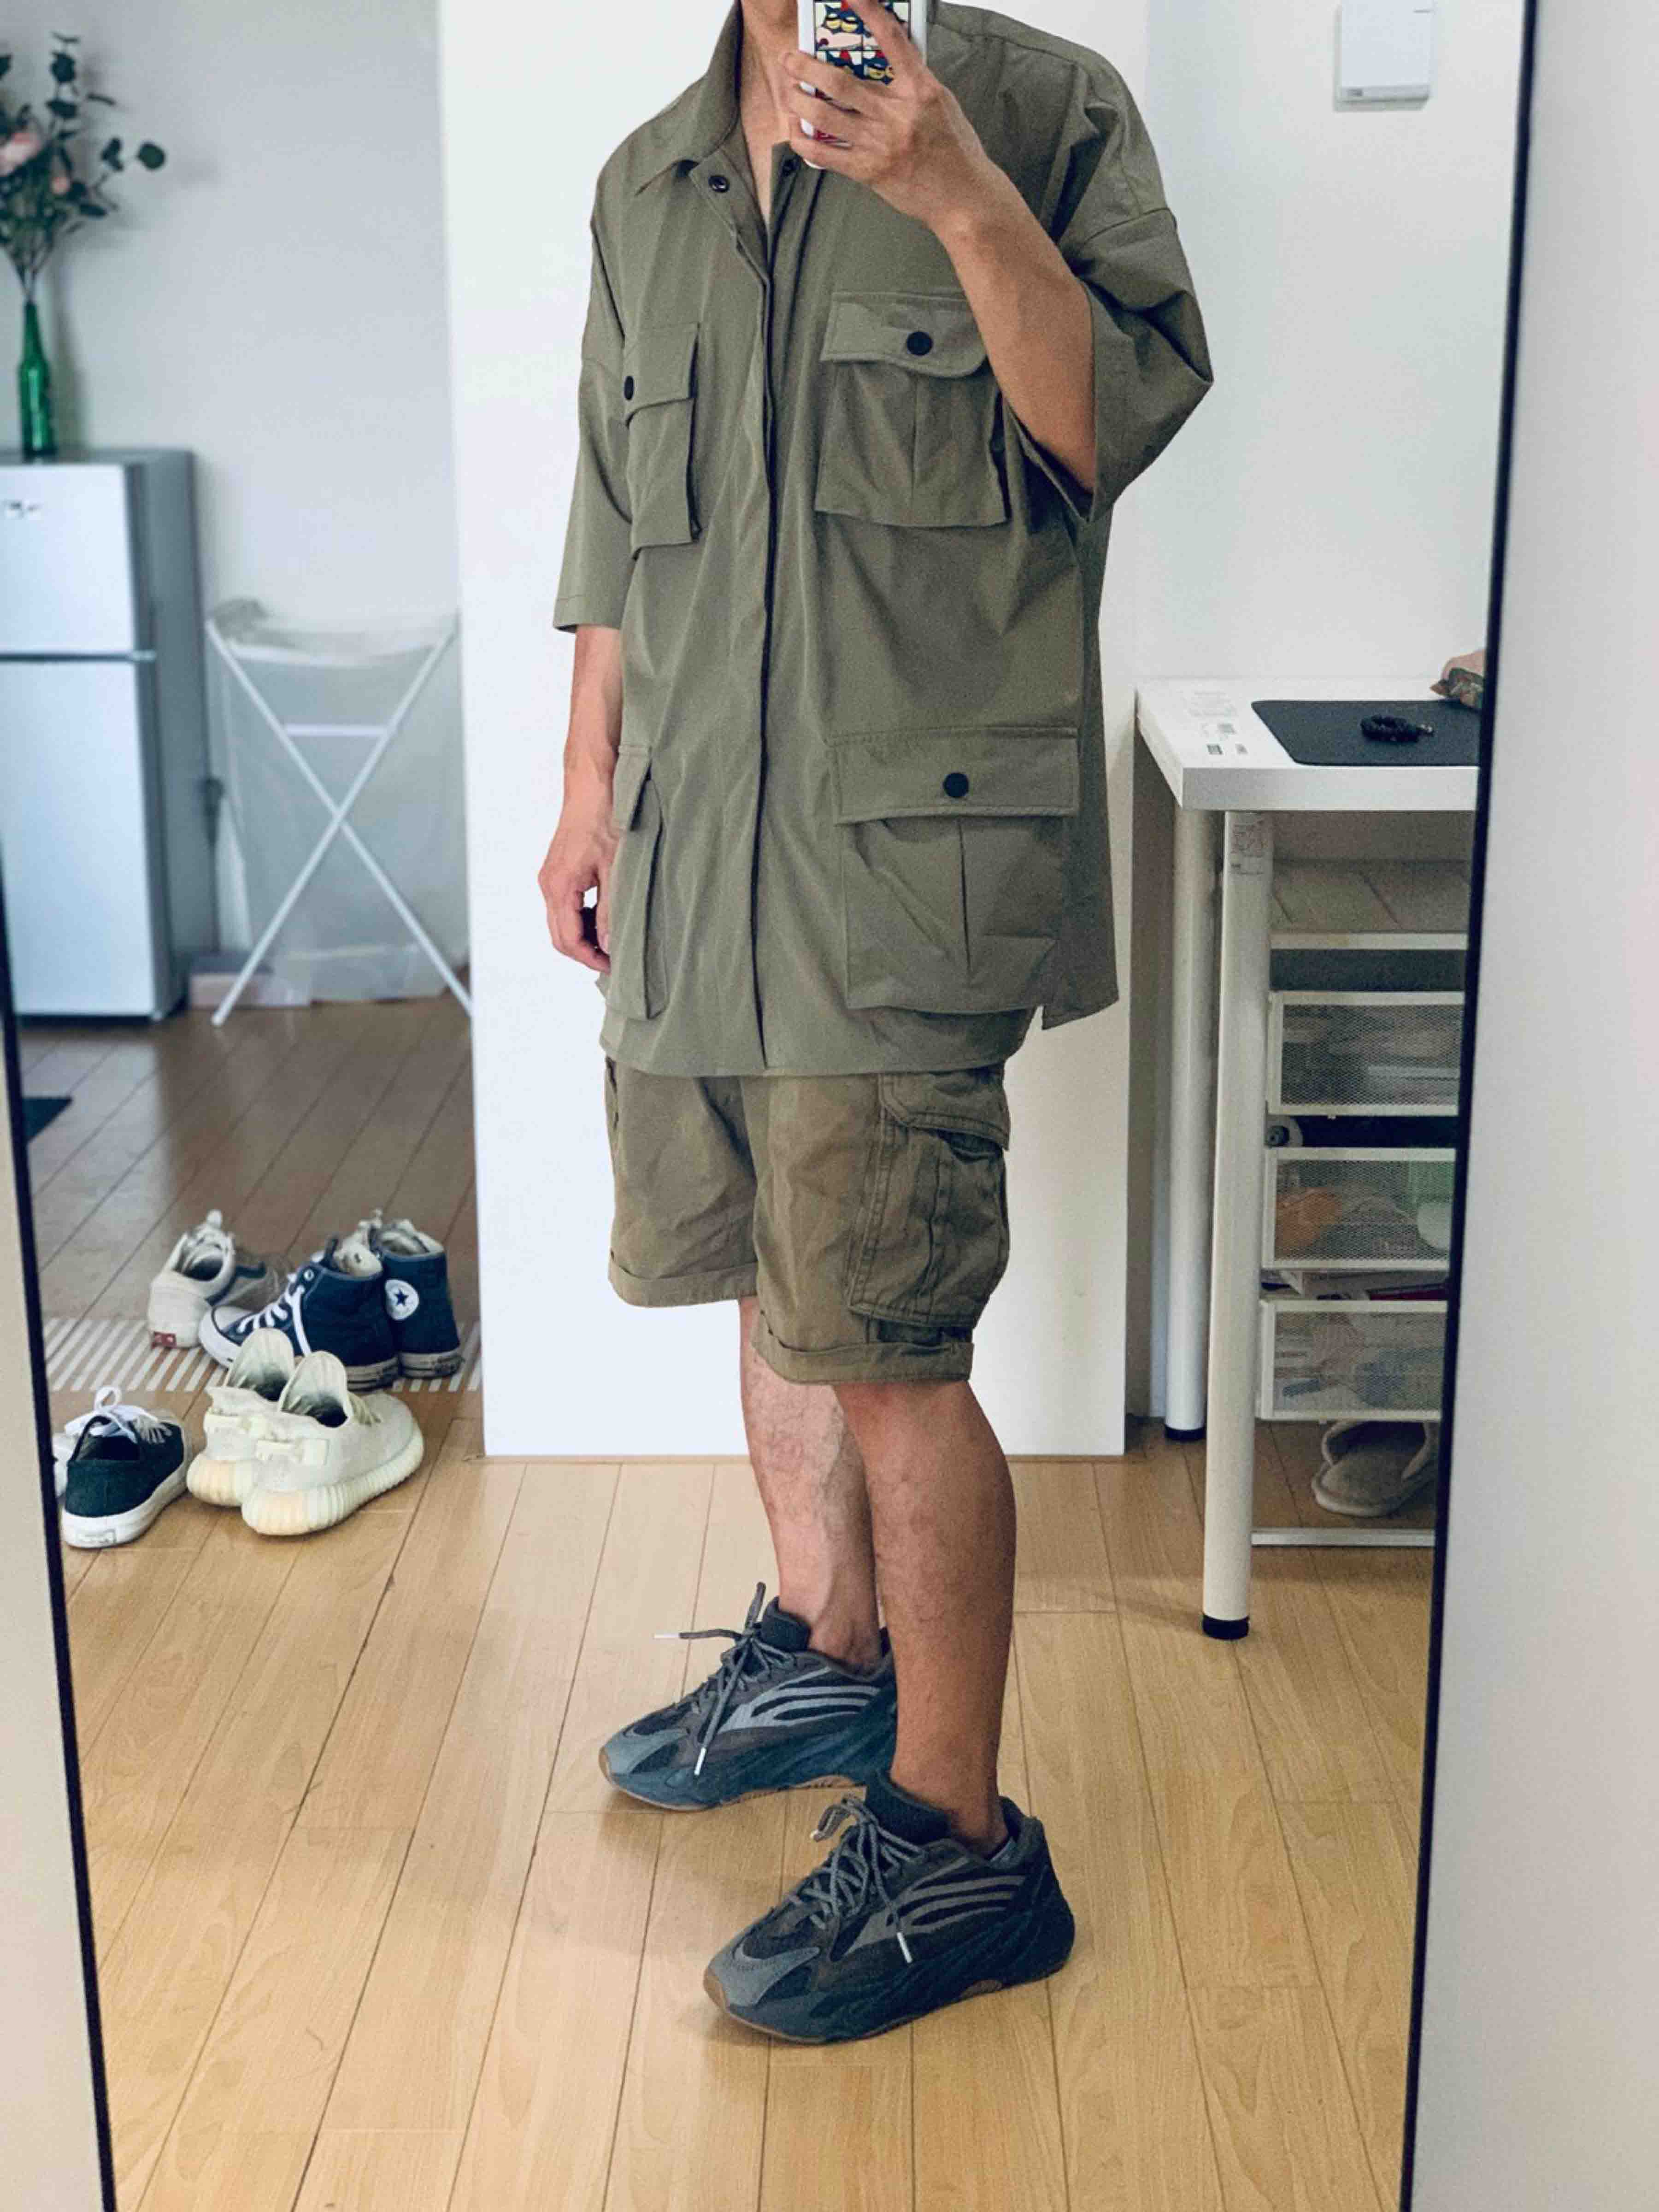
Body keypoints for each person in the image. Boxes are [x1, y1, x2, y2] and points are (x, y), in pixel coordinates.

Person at [539, 0, 1210, 2045]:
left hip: (898, 858)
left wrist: (956, 193)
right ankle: (833, 1655)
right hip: (693, 840)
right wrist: (585, 789)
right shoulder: (647, 180)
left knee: (893, 1338)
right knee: (769, 1270)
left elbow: (1102, 430)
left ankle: (956, 1840)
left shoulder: (1042, 110)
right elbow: (614, 524)